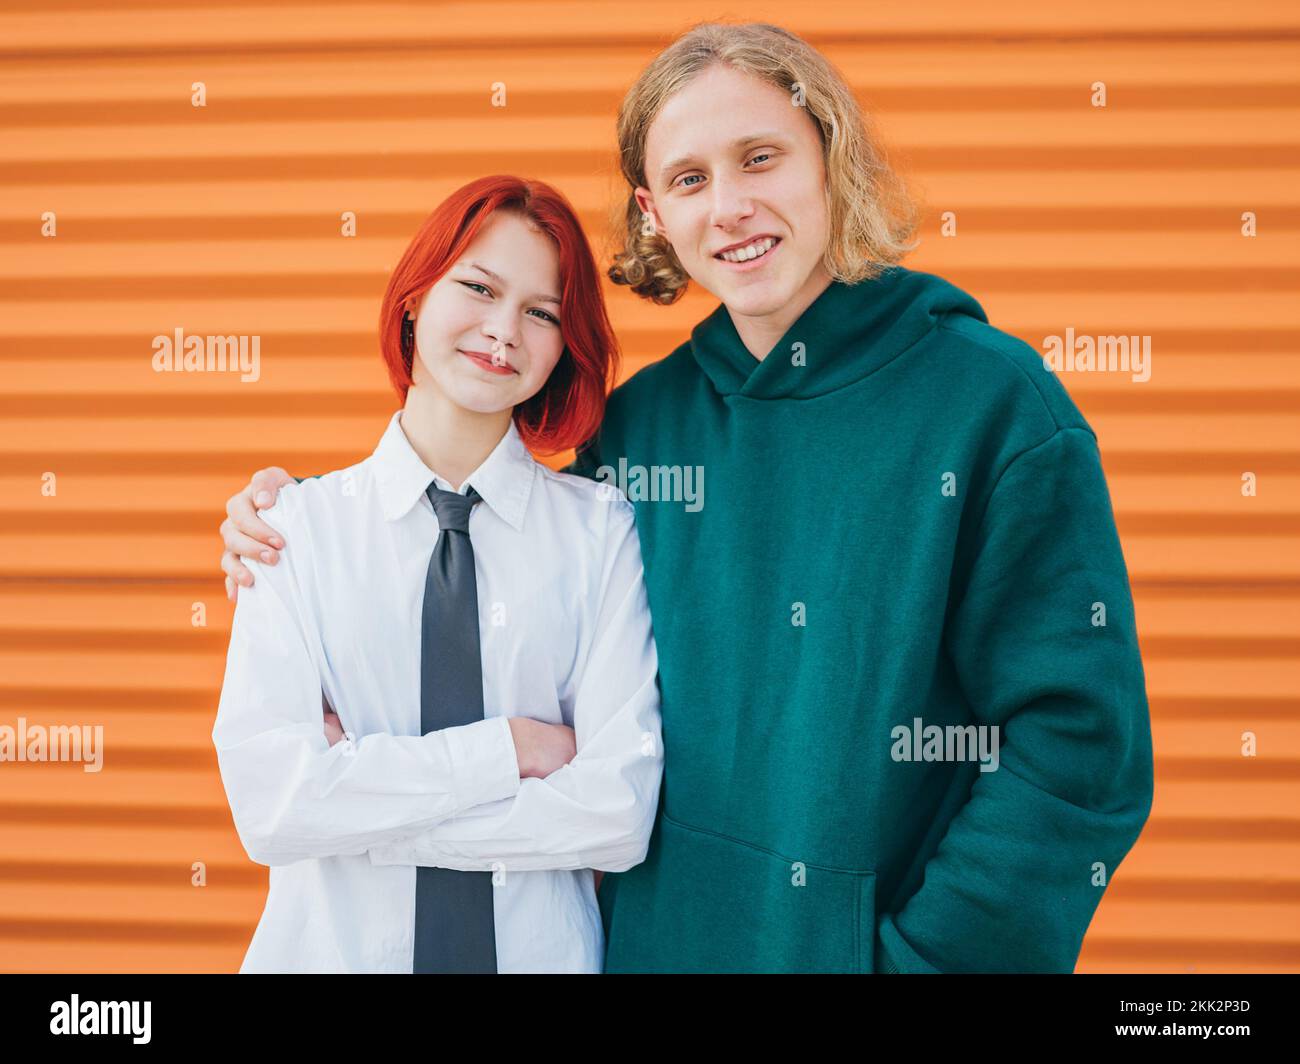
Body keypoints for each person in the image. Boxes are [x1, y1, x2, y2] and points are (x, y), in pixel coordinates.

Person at [219, 22, 1154, 973]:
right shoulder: (639, 433)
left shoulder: (993, 406)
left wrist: (923, 962)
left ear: (831, 157)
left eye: (761, 158)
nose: (733, 208)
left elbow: (1079, 755)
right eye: (690, 178)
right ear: (653, 212)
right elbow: (503, 604)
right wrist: (284, 518)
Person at [211, 175, 663, 974]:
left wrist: (363, 812)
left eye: (541, 313)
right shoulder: (293, 532)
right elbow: (273, 806)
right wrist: (511, 751)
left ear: (564, 347)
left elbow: (618, 813)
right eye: (479, 288)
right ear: (415, 298)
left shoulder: (601, 532)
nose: (504, 331)